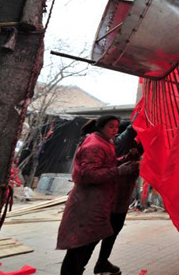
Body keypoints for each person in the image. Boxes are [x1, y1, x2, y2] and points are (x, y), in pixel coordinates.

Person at [57, 115, 138, 275]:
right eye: (111, 127)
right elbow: (87, 174)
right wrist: (118, 171)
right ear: (101, 127)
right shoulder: (95, 145)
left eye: (116, 127)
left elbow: (105, 164)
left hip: (96, 203)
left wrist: (125, 159)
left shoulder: (104, 142)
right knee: (78, 248)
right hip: (86, 204)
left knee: (85, 244)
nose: (115, 130)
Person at [93, 120, 143, 274]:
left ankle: (102, 262)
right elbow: (132, 129)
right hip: (111, 198)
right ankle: (81, 266)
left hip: (120, 197)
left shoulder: (126, 146)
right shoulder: (120, 141)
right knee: (96, 235)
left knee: (113, 231)